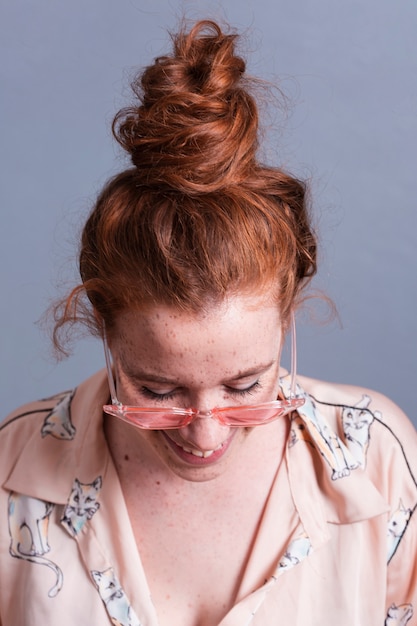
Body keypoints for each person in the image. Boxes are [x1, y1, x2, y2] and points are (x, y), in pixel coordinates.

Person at [0, 19, 416, 626]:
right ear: (104, 328)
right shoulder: (13, 473)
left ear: (286, 318)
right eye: (157, 391)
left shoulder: (378, 460)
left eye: (246, 386)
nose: (205, 436)